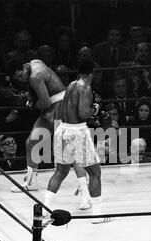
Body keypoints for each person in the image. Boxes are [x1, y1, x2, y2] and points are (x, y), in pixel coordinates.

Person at [5, 58, 91, 209]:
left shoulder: (35, 76)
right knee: (32, 142)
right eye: (17, 78)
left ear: (24, 67)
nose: (21, 79)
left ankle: (86, 194)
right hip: (51, 110)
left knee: (69, 150)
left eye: (20, 75)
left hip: (60, 109)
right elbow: (40, 94)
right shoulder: (34, 63)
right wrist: (32, 98)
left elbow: (45, 102)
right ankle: (31, 181)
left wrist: (31, 103)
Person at [45, 58, 106, 222]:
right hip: (77, 131)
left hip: (62, 129)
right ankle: (97, 215)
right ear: (93, 72)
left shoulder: (71, 84)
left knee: (61, 171)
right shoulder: (85, 87)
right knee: (95, 172)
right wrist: (96, 108)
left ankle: (44, 209)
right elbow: (83, 113)